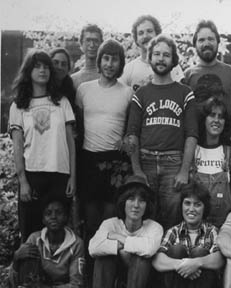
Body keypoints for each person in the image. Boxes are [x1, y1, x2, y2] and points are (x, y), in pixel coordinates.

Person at [75, 39, 132, 283]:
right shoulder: (84, 89)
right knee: (90, 222)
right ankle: (88, 277)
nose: (110, 63)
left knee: (111, 222)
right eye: (106, 58)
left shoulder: (127, 92)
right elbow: (76, 128)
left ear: (120, 63)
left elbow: (130, 130)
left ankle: (113, 277)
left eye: (115, 59)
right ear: (99, 61)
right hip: (88, 161)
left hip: (115, 164)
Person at [126, 34, 198, 229]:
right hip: (146, 160)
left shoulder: (184, 93)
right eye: (156, 54)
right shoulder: (141, 94)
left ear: (173, 60)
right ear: (150, 58)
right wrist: (137, 170)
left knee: (172, 219)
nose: (160, 58)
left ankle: (167, 258)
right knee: (146, 218)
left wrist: (184, 170)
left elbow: (191, 134)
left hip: (173, 163)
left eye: (166, 55)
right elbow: (132, 133)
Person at [9, 50, 76, 241]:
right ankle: (30, 271)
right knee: (31, 233)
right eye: (37, 66)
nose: (43, 70)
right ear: (28, 71)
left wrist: (73, 177)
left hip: (60, 176)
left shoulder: (61, 102)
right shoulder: (19, 105)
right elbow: (18, 146)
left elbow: (70, 142)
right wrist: (23, 181)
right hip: (32, 175)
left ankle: (56, 271)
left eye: (46, 66)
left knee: (58, 234)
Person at [184, 20, 231, 155]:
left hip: (225, 142)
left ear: (218, 42)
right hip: (196, 143)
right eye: (201, 40)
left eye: (210, 39)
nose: (206, 43)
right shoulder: (188, 75)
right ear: (195, 45)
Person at [89, 175, 163, 288]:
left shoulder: (154, 227)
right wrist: (125, 246)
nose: (136, 205)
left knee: (141, 258)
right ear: (123, 202)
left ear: (147, 205)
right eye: (131, 199)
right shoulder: (110, 224)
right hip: (115, 273)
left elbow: (149, 249)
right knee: (103, 257)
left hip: (144, 279)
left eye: (142, 201)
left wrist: (119, 237)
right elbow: (93, 248)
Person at [152, 183, 224, 288]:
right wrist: (182, 265)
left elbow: (219, 260)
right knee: (176, 250)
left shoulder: (212, 231)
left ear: (205, 208)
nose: (191, 209)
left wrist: (197, 263)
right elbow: (157, 260)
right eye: (187, 203)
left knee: (200, 252)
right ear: (181, 205)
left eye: (197, 204)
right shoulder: (173, 231)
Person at [10, 197, 84, 288]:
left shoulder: (76, 244)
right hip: (36, 284)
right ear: (43, 220)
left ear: (66, 217)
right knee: (26, 255)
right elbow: (15, 282)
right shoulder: (34, 239)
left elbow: (76, 285)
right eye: (48, 213)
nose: (53, 217)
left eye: (59, 213)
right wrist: (16, 258)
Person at [193, 97, 231, 227]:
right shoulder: (193, 152)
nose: (216, 120)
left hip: (224, 226)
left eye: (220, 117)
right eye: (212, 115)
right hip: (195, 226)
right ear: (204, 119)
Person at [119, 15, 183, 92]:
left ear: (157, 34)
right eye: (141, 33)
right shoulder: (128, 69)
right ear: (136, 39)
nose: (145, 36)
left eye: (149, 31)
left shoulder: (172, 67)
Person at [72, 24, 103, 90]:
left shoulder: (109, 76)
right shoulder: (74, 80)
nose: (92, 45)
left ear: (101, 44)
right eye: (88, 40)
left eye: (96, 41)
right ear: (81, 43)